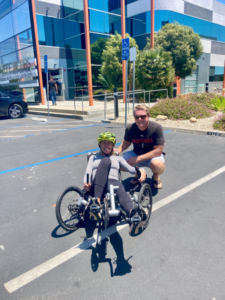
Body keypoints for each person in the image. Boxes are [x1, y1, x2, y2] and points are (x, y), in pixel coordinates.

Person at [83, 131, 147, 237]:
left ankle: (133, 217)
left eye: (109, 143)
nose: (106, 145)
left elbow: (131, 170)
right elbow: (88, 173)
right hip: (96, 185)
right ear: (99, 145)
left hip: (113, 184)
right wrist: (86, 184)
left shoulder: (118, 158)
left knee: (120, 189)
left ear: (113, 145)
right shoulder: (93, 158)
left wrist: (141, 170)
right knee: (106, 161)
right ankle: (96, 204)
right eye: (104, 143)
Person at [114, 104, 165, 189]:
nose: (139, 119)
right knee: (119, 164)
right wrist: (117, 151)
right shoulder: (130, 128)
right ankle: (138, 174)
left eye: (143, 116)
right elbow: (126, 142)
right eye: (137, 117)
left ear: (148, 115)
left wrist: (138, 159)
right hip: (136, 154)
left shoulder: (156, 128)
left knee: (158, 165)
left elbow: (158, 151)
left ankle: (156, 176)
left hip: (152, 157)